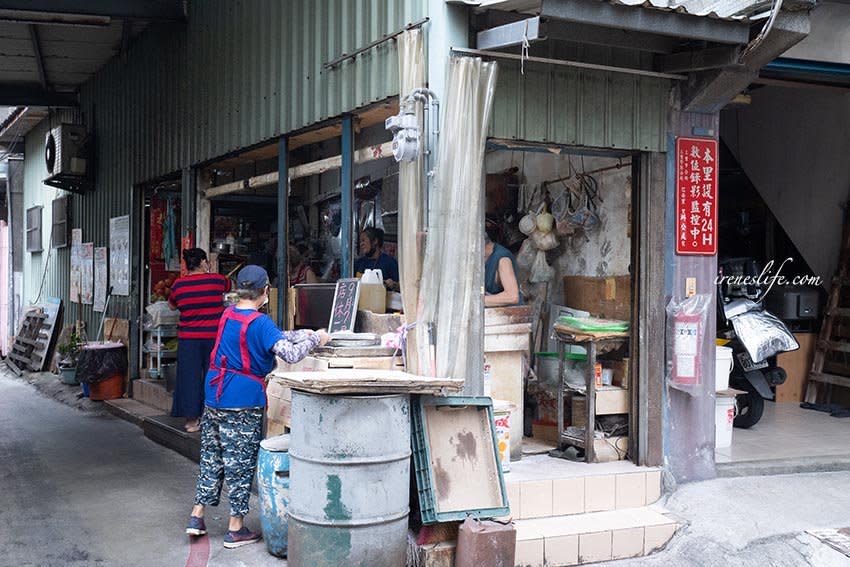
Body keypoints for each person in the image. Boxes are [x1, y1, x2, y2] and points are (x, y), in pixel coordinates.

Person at [185, 265, 330, 548]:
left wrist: (304, 332)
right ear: (265, 292)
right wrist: (316, 338)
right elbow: (288, 352)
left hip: (215, 394)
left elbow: (275, 336)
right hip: (242, 400)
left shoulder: (229, 313)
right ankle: (235, 528)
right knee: (240, 463)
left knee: (212, 456)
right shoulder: (260, 322)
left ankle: (197, 516)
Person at [169, 248, 231, 433]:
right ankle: (216, 417)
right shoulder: (218, 280)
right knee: (215, 375)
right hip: (214, 337)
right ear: (204, 262)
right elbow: (231, 287)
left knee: (190, 378)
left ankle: (191, 422)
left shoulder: (178, 285)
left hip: (189, 339)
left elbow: (172, 306)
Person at [484, 230, 522, 307]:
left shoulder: (503, 259)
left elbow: (512, 297)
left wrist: (478, 301)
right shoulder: (484, 257)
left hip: (510, 314)